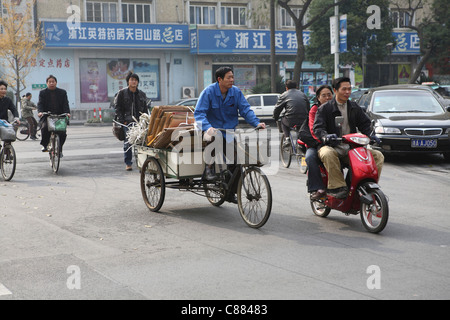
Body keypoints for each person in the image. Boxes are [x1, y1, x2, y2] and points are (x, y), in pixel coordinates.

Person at [194, 66, 266, 202]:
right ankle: (208, 170)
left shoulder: (236, 93)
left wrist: (256, 123)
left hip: (229, 131)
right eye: (229, 77)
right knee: (214, 138)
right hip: (211, 129)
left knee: (236, 161)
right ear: (219, 79)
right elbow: (199, 113)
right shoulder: (208, 92)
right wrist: (208, 127)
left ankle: (229, 192)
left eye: (233, 77)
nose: (232, 80)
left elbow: (245, 109)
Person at [313, 77, 384, 199]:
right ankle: (338, 187)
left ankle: (365, 184)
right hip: (331, 147)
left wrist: (371, 135)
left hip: (351, 148)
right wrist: (326, 136)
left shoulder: (354, 107)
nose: (347, 92)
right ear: (335, 90)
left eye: (349, 89)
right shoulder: (325, 108)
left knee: (378, 155)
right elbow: (318, 129)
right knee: (327, 153)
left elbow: (365, 125)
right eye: (344, 89)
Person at [299, 85, 333, 200]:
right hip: (316, 143)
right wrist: (324, 139)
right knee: (310, 157)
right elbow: (314, 131)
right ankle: (318, 188)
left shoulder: (337, 108)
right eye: (324, 95)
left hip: (334, 142)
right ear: (318, 98)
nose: (327, 98)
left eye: (329, 95)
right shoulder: (314, 109)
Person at [114, 72, 148, 171]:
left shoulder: (142, 94)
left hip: (140, 122)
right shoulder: (122, 93)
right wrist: (122, 120)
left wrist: (145, 120)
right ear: (128, 81)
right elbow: (118, 108)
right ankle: (128, 163)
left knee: (141, 143)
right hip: (127, 122)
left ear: (137, 82)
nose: (133, 82)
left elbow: (145, 108)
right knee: (128, 143)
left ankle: (141, 163)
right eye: (131, 80)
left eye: (135, 80)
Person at [37, 75, 71, 153]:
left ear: (56, 83)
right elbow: (40, 104)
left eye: (53, 82)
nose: (51, 83)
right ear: (47, 83)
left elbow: (65, 104)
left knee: (62, 132)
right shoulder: (42, 93)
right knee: (45, 128)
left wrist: (67, 113)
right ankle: (45, 145)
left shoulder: (62, 92)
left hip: (60, 116)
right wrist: (40, 112)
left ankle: (59, 148)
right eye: (50, 82)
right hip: (47, 115)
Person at [273, 80, 309, 147]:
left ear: (286, 88)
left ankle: (287, 139)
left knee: (283, 122)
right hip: (304, 119)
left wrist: (275, 118)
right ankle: (300, 141)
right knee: (301, 128)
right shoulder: (302, 94)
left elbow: (277, 108)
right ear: (296, 87)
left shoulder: (284, 95)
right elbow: (308, 107)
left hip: (290, 119)